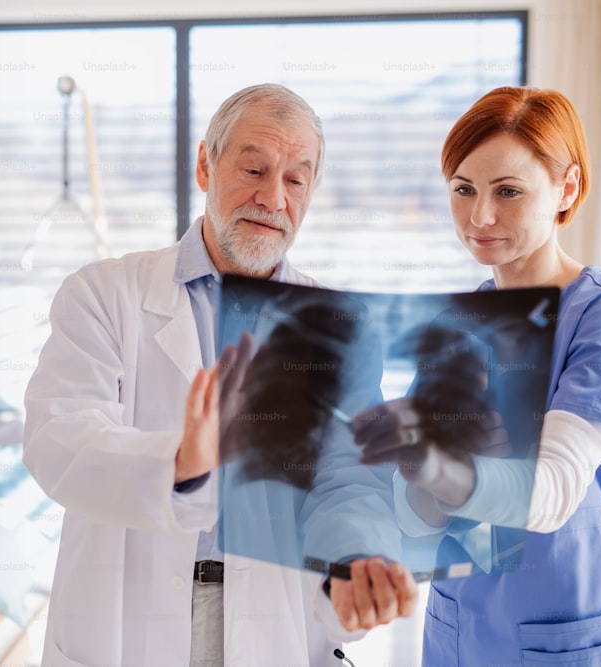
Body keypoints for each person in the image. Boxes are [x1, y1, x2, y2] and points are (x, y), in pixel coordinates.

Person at [22, 83, 417, 666]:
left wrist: (352, 562)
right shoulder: (104, 295)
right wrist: (180, 461)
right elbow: (58, 438)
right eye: (253, 168)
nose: (272, 198)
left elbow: (348, 476)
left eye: (295, 180)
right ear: (206, 165)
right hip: (128, 618)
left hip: (274, 621)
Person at [350, 86, 601, 664]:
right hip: (461, 626)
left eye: (509, 192)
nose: (480, 217)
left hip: (569, 627)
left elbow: (550, 498)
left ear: (566, 188)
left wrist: (438, 467)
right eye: (463, 189)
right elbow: (416, 519)